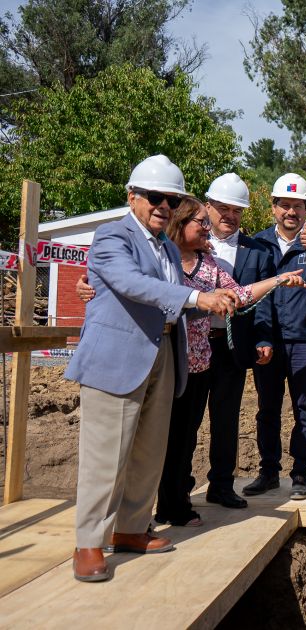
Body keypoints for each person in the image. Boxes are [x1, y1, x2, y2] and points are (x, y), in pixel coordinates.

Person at [66, 155, 237, 582]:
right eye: (155, 197)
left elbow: (173, 296)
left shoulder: (166, 247)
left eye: (172, 200)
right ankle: (89, 542)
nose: (164, 206)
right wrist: (198, 298)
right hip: (116, 358)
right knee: (106, 455)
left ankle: (130, 528)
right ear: (133, 197)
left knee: (149, 450)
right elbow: (133, 284)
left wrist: (215, 300)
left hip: (163, 351)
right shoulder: (112, 236)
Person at [154, 198, 304, 526]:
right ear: (181, 223)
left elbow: (241, 294)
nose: (207, 228)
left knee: (209, 425)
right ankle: (171, 500)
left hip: (201, 360)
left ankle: (192, 497)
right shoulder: (162, 259)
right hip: (170, 358)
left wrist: (278, 280)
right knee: (177, 433)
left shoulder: (208, 264)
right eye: (201, 222)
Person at [243, 173, 306, 500]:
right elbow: (251, 292)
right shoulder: (258, 243)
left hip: (305, 340)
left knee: (305, 409)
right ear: (273, 208)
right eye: (285, 205)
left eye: (298, 206)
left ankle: (301, 474)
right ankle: (268, 472)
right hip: (267, 339)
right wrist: (260, 337)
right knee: (267, 409)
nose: (291, 212)